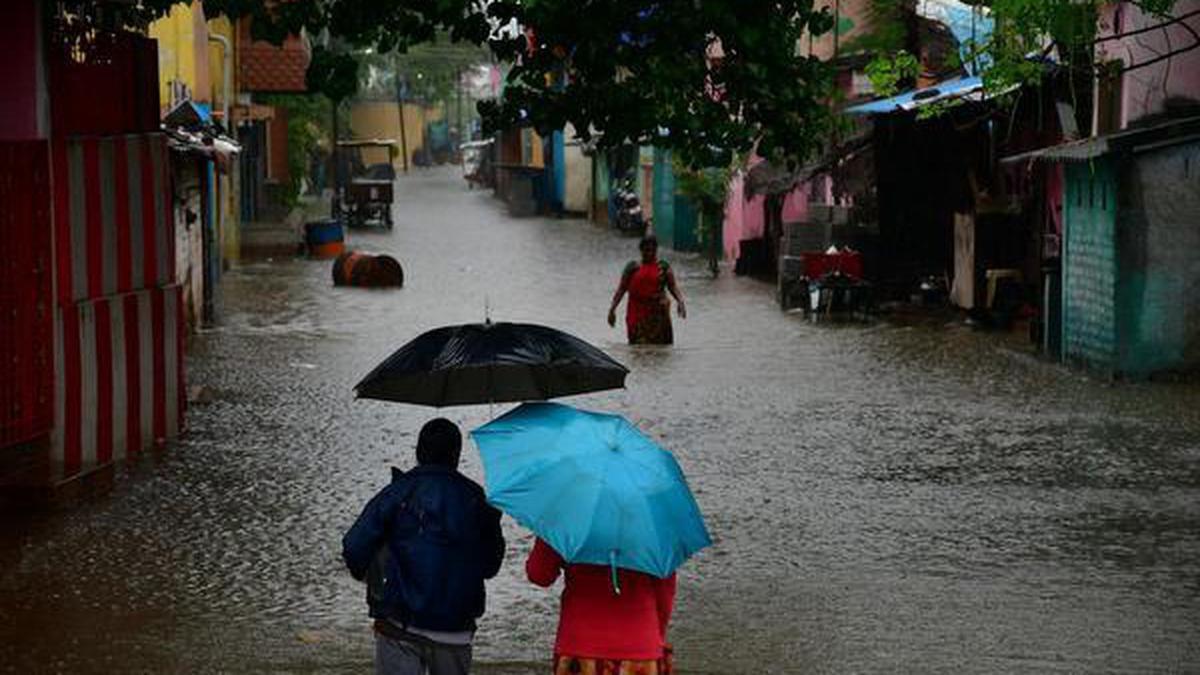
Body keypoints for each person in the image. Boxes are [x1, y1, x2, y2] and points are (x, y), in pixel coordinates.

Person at [343, 419, 505, 675]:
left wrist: (372, 577)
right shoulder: (477, 499)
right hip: (456, 629)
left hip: (399, 625)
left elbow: (354, 547)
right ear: (457, 455)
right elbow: (490, 566)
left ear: (418, 452)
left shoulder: (398, 492)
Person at [526, 538, 676, 674]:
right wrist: (656, 637)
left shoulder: (567, 519)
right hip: (641, 649)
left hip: (579, 648)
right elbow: (665, 594)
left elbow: (539, 575)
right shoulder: (655, 530)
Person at [607, 235, 687, 345]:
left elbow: (673, 287)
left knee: (662, 352)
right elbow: (621, 289)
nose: (649, 253)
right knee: (638, 351)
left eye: (652, 250)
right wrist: (612, 310)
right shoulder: (632, 268)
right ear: (641, 250)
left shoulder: (663, 267)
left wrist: (680, 301)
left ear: (656, 250)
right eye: (646, 250)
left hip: (659, 317)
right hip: (637, 318)